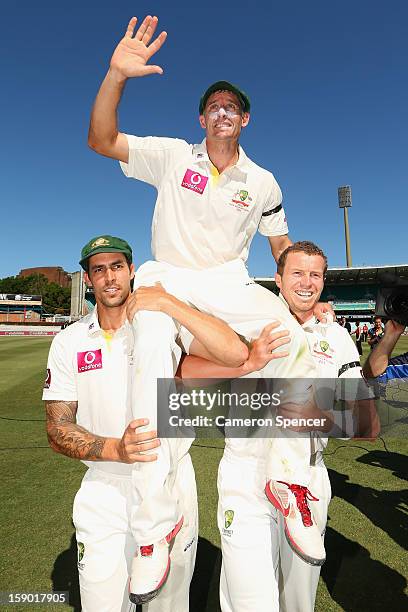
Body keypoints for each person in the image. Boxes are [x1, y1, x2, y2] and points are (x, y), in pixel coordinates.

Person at [87, 14, 334, 598]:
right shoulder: (173, 156)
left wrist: (303, 296)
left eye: (233, 107)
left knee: (291, 341)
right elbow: (100, 140)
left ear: (244, 120)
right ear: (202, 120)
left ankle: (290, 481)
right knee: (151, 358)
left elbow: (281, 248)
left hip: (228, 280)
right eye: (213, 107)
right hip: (166, 273)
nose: (223, 112)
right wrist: (115, 76)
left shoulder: (264, 182)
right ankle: (153, 527)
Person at [43, 235, 248, 612]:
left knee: (169, 605)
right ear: (87, 278)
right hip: (106, 487)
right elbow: (57, 428)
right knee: (101, 603)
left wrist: (170, 303)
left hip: (170, 480)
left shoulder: (162, 325)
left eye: (117, 267)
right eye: (99, 269)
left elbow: (235, 353)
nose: (109, 277)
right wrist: (115, 449)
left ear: (132, 271)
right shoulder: (69, 341)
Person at [179, 241, 378, 612]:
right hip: (245, 477)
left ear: (323, 282)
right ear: (278, 279)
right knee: (250, 602)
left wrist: (317, 418)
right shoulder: (247, 322)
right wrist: (244, 364)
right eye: (297, 273)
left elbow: (368, 424)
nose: (306, 282)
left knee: (297, 603)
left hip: (307, 478)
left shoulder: (336, 338)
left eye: (315, 274)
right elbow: (183, 372)